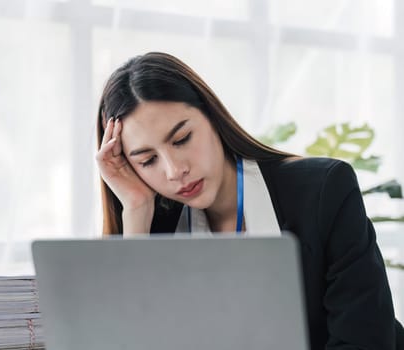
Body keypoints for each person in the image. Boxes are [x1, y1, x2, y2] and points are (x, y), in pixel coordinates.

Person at [95, 51, 404, 349]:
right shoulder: (155, 228)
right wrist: (135, 210)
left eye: (182, 139)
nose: (175, 171)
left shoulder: (322, 190)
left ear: (212, 117)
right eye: (148, 160)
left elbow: (365, 342)